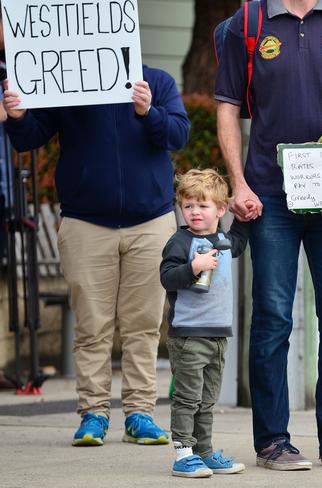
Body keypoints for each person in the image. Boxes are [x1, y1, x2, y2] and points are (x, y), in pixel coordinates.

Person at [215, 0, 322, 471]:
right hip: (269, 196)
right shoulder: (248, 20)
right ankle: (272, 441)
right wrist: (238, 184)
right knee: (271, 321)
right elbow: (227, 106)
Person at [3, 66, 191, 446]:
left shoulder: (156, 81)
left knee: (144, 324)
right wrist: (19, 116)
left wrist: (149, 112)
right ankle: (93, 414)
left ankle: (140, 414)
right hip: (86, 222)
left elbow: (178, 134)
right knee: (92, 325)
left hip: (150, 222)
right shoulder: (68, 79)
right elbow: (30, 138)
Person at [160, 169, 248, 478]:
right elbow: (167, 276)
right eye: (188, 206)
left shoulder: (222, 238)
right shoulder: (180, 241)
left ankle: (205, 450)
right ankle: (184, 453)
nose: (195, 212)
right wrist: (193, 267)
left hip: (218, 335)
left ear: (220, 209)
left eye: (203, 205)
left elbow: (238, 242)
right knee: (188, 397)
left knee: (208, 399)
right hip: (189, 335)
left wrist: (245, 213)